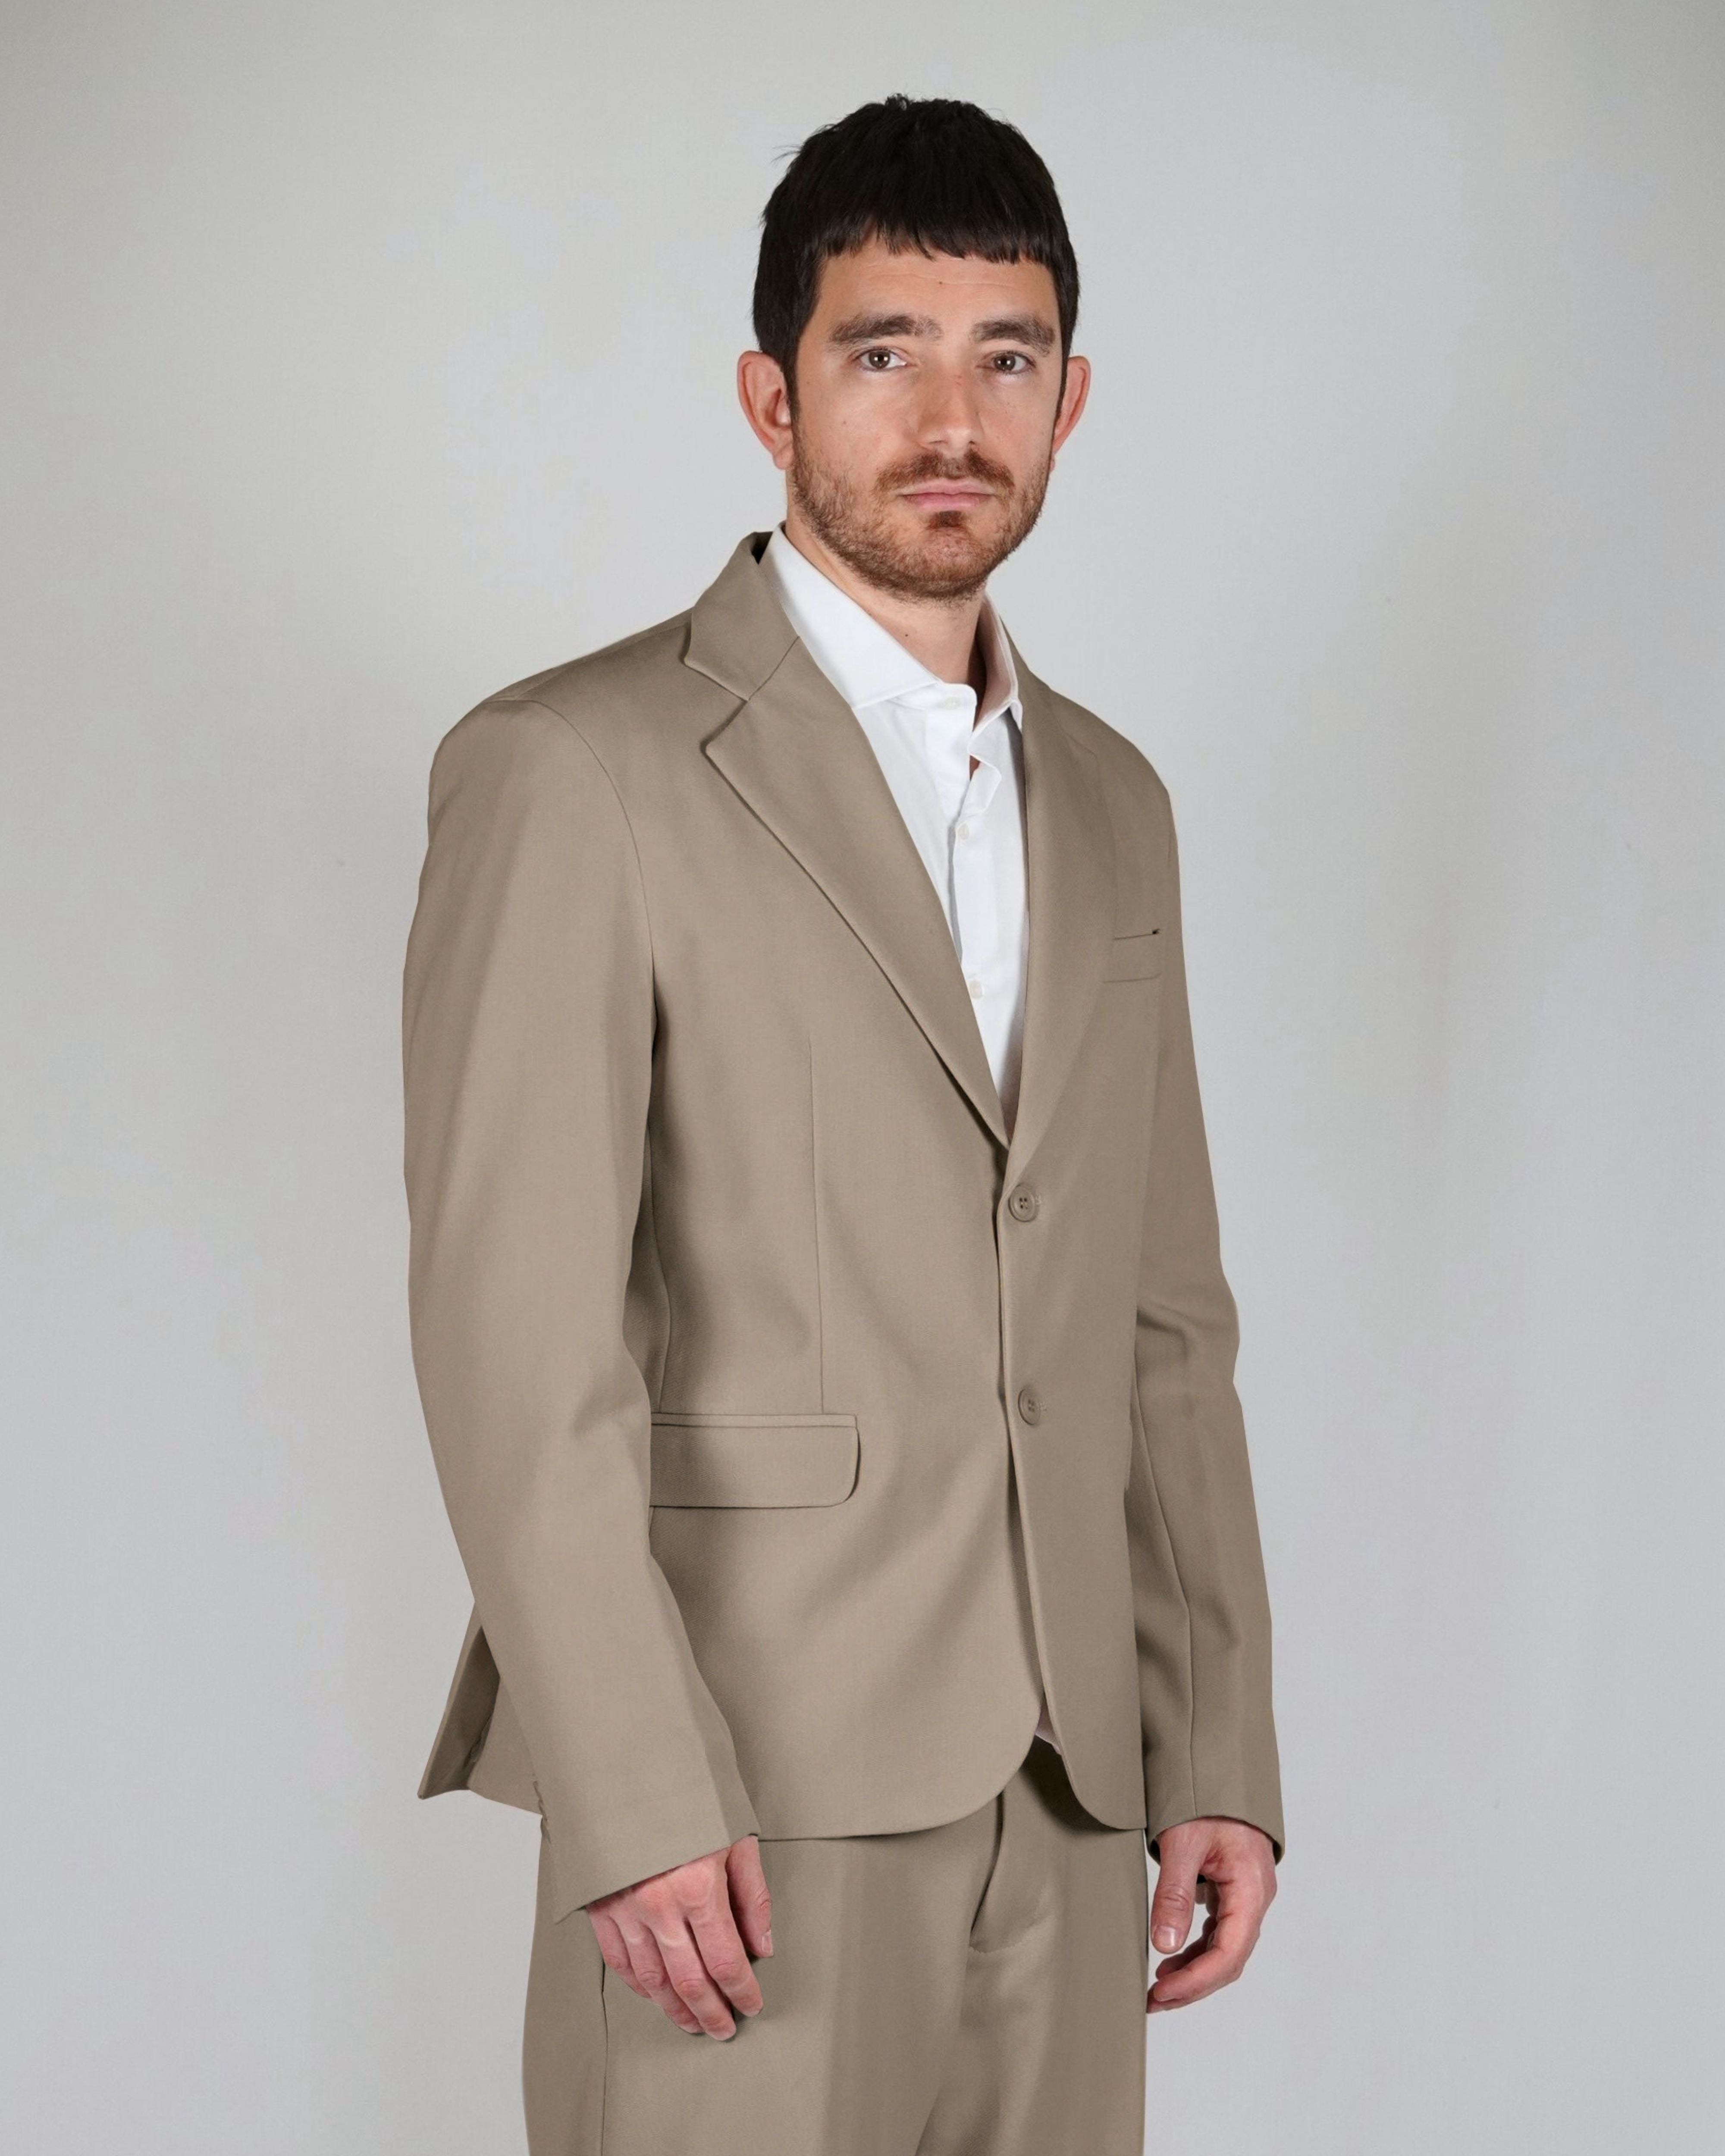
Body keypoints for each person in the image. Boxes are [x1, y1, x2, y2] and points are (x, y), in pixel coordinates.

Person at [402, 92, 1283, 2156]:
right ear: (770, 395)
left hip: (1073, 1793)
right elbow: (515, 1339)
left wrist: (1214, 1737)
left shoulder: (1116, 801)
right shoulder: (576, 768)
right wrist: (631, 1783)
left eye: (1006, 359)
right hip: (742, 1794)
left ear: (1071, 398)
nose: (951, 420)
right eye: (884, 353)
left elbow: (1161, 1315)